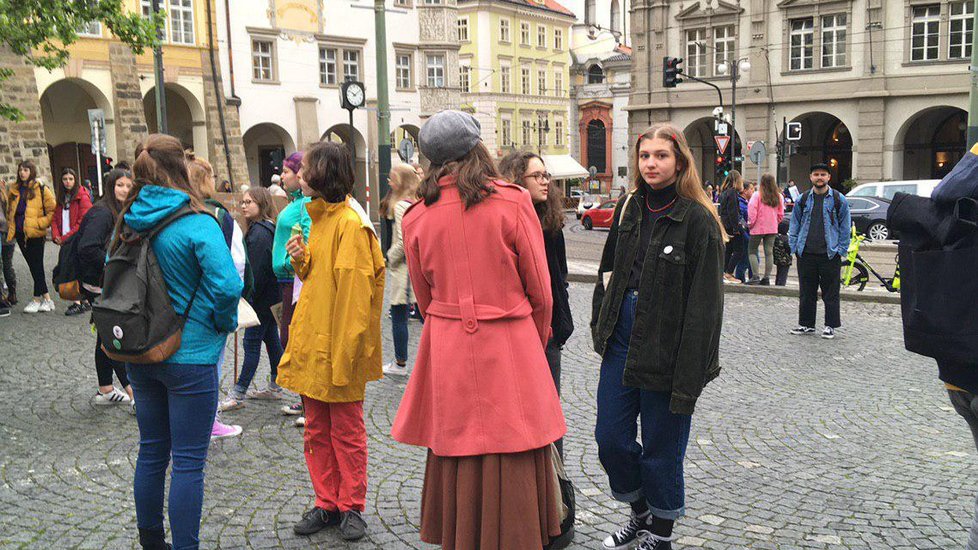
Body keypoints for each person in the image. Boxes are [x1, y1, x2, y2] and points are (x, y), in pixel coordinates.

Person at [391, 110, 565, 549]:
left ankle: (464, 535)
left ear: (430, 161)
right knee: (515, 445)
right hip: (510, 337)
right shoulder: (512, 201)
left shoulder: (415, 216)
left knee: (457, 448)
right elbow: (541, 291)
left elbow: (425, 300)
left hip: (448, 344)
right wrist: (534, 339)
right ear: (478, 150)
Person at [591, 124, 725, 550]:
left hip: (669, 348)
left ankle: (660, 534)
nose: (651, 163)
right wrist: (601, 325)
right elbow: (607, 270)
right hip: (623, 341)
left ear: (680, 161)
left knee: (661, 450)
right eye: (645, 155)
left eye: (661, 155)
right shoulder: (631, 208)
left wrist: (692, 373)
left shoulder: (698, 220)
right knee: (610, 440)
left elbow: (705, 306)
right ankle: (641, 514)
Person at [119, 134, 242, 550]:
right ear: (180, 169)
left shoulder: (128, 219)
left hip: (140, 349)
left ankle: (152, 542)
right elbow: (227, 285)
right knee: (189, 461)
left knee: (152, 450)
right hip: (191, 355)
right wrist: (222, 323)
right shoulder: (196, 220)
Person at [278, 141, 384, 542]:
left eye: (305, 170)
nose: (299, 176)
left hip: (338, 349)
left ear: (322, 174)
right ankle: (327, 502)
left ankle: (351, 505)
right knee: (316, 432)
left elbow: (355, 302)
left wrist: (344, 358)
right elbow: (320, 282)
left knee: (346, 433)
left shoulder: (350, 225)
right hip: (316, 344)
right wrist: (302, 258)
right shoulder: (319, 218)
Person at [498, 150, 573, 458]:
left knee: (549, 414)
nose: (545, 182)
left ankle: (556, 489)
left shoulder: (550, 223)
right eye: (537, 176)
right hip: (517, 330)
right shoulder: (508, 221)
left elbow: (560, 278)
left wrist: (561, 325)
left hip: (550, 332)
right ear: (517, 179)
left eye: (546, 176)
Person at [187, 155, 246, 439]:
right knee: (211, 366)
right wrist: (229, 312)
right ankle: (208, 422)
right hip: (208, 307)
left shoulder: (170, 212)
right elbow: (235, 266)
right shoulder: (218, 216)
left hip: (174, 307)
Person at [219, 187, 283, 410]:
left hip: (261, 300)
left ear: (261, 204)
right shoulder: (267, 229)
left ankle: (238, 393)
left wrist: (247, 298)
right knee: (271, 340)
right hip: (270, 297)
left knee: (252, 343)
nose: (244, 205)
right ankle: (275, 385)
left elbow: (255, 271)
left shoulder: (259, 233)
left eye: (249, 202)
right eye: (243, 202)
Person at [76, 168, 135, 407]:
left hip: (107, 281)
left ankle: (106, 389)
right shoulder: (102, 213)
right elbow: (88, 248)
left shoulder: (119, 211)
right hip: (100, 283)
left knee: (104, 333)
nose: (124, 190)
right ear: (111, 187)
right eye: (120, 185)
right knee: (113, 335)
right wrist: (114, 266)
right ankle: (134, 394)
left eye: (128, 186)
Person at [788, 162, 851, 339]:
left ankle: (830, 325)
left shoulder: (839, 199)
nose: (819, 177)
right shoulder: (803, 199)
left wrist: (841, 250)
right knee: (806, 291)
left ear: (829, 177)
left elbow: (845, 227)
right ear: (811, 177)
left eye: (823, 174)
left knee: (831, 292)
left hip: (829, 254)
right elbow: (795, 224)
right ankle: (806, 324)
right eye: (816, 174)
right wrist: (795, 247)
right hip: (806, 252)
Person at [271, 151, 311, 422]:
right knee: (287, 339)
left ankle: (309, 401)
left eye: (287, 171)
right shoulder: (294, 202)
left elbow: (305, 238)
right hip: (285, 278)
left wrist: (287, 261)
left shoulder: (305, 205)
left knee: (293, 339)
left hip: (294, 278)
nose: (283, 176)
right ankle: (303, 398)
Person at [381, 164, 421, 377]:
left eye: (392, 178)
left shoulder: (400, 206)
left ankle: (400, 362)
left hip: (402, 270)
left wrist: (389, 257)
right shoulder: (413, 202)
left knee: (399, 314)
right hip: (408, 269)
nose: (389, 181)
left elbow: (403, 240)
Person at [5, 160, 56, 313]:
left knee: (37, 265)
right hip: (21, 233)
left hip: (35, 233)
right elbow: (10, 210)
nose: (22, 173)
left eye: (26, 170)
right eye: (21, 170)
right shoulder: (14, 189)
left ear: (31, 171)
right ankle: (47, 299)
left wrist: (40, 223)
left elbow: (52, 209)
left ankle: (37, 299)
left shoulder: (40, 188)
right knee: (34, 266)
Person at [53, 167, 94, 315]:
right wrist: (56, 235)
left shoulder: (82, 196)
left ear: (75, 180)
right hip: (65, 240)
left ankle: (79, 301)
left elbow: (82, 221)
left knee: (74, 269)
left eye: (70, 179)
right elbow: (56, 218)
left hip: (76, 239)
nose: (68, 182)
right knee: (68, 269)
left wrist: (65, 238)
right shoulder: (62, 197)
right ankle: (81, 300)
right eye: (65, 179)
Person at [746, 174, 783, 285]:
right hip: (772, 227)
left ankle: (755, 276)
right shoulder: (778, 196)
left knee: (752, 251)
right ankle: (766, 277)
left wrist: (750, 224)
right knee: (769, 252)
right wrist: (775, 222)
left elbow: (752, 211)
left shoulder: (757, 195)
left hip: (758, 227)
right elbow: (781, 214)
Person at [718, 171, 745, 283]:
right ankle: (729, 272)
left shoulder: (724, 193)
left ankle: (724, 272)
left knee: (728, 250)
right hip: (732, 226)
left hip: (725, 225)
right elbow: (733, 211)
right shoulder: (732, 193)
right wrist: (736, 228)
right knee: (739, 250)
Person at [734, 182, 754, 282]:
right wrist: (746, 229)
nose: (753, 191)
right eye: (751, 189)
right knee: (745, 261)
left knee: (749, 260)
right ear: (745, 191)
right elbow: (741, 219)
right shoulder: (741, 203)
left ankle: (751, 278)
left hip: (748, 234)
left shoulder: (746, 202)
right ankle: (741, 279)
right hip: (745, 235)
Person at [0, 179, 13, 312]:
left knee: (4, 264)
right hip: (8, 231)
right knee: (6, 264)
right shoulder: (6, 191)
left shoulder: (5, 192)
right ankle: (9, 296)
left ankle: (3, 298)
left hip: (5, 232)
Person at [773, 218, 792, 286]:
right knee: (783, 274)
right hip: (785, 260)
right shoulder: (786, 238)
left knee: (778, 273)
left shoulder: (776, 237)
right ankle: (781, 285)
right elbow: (789, 249)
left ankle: (777, 284)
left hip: (778, 259)